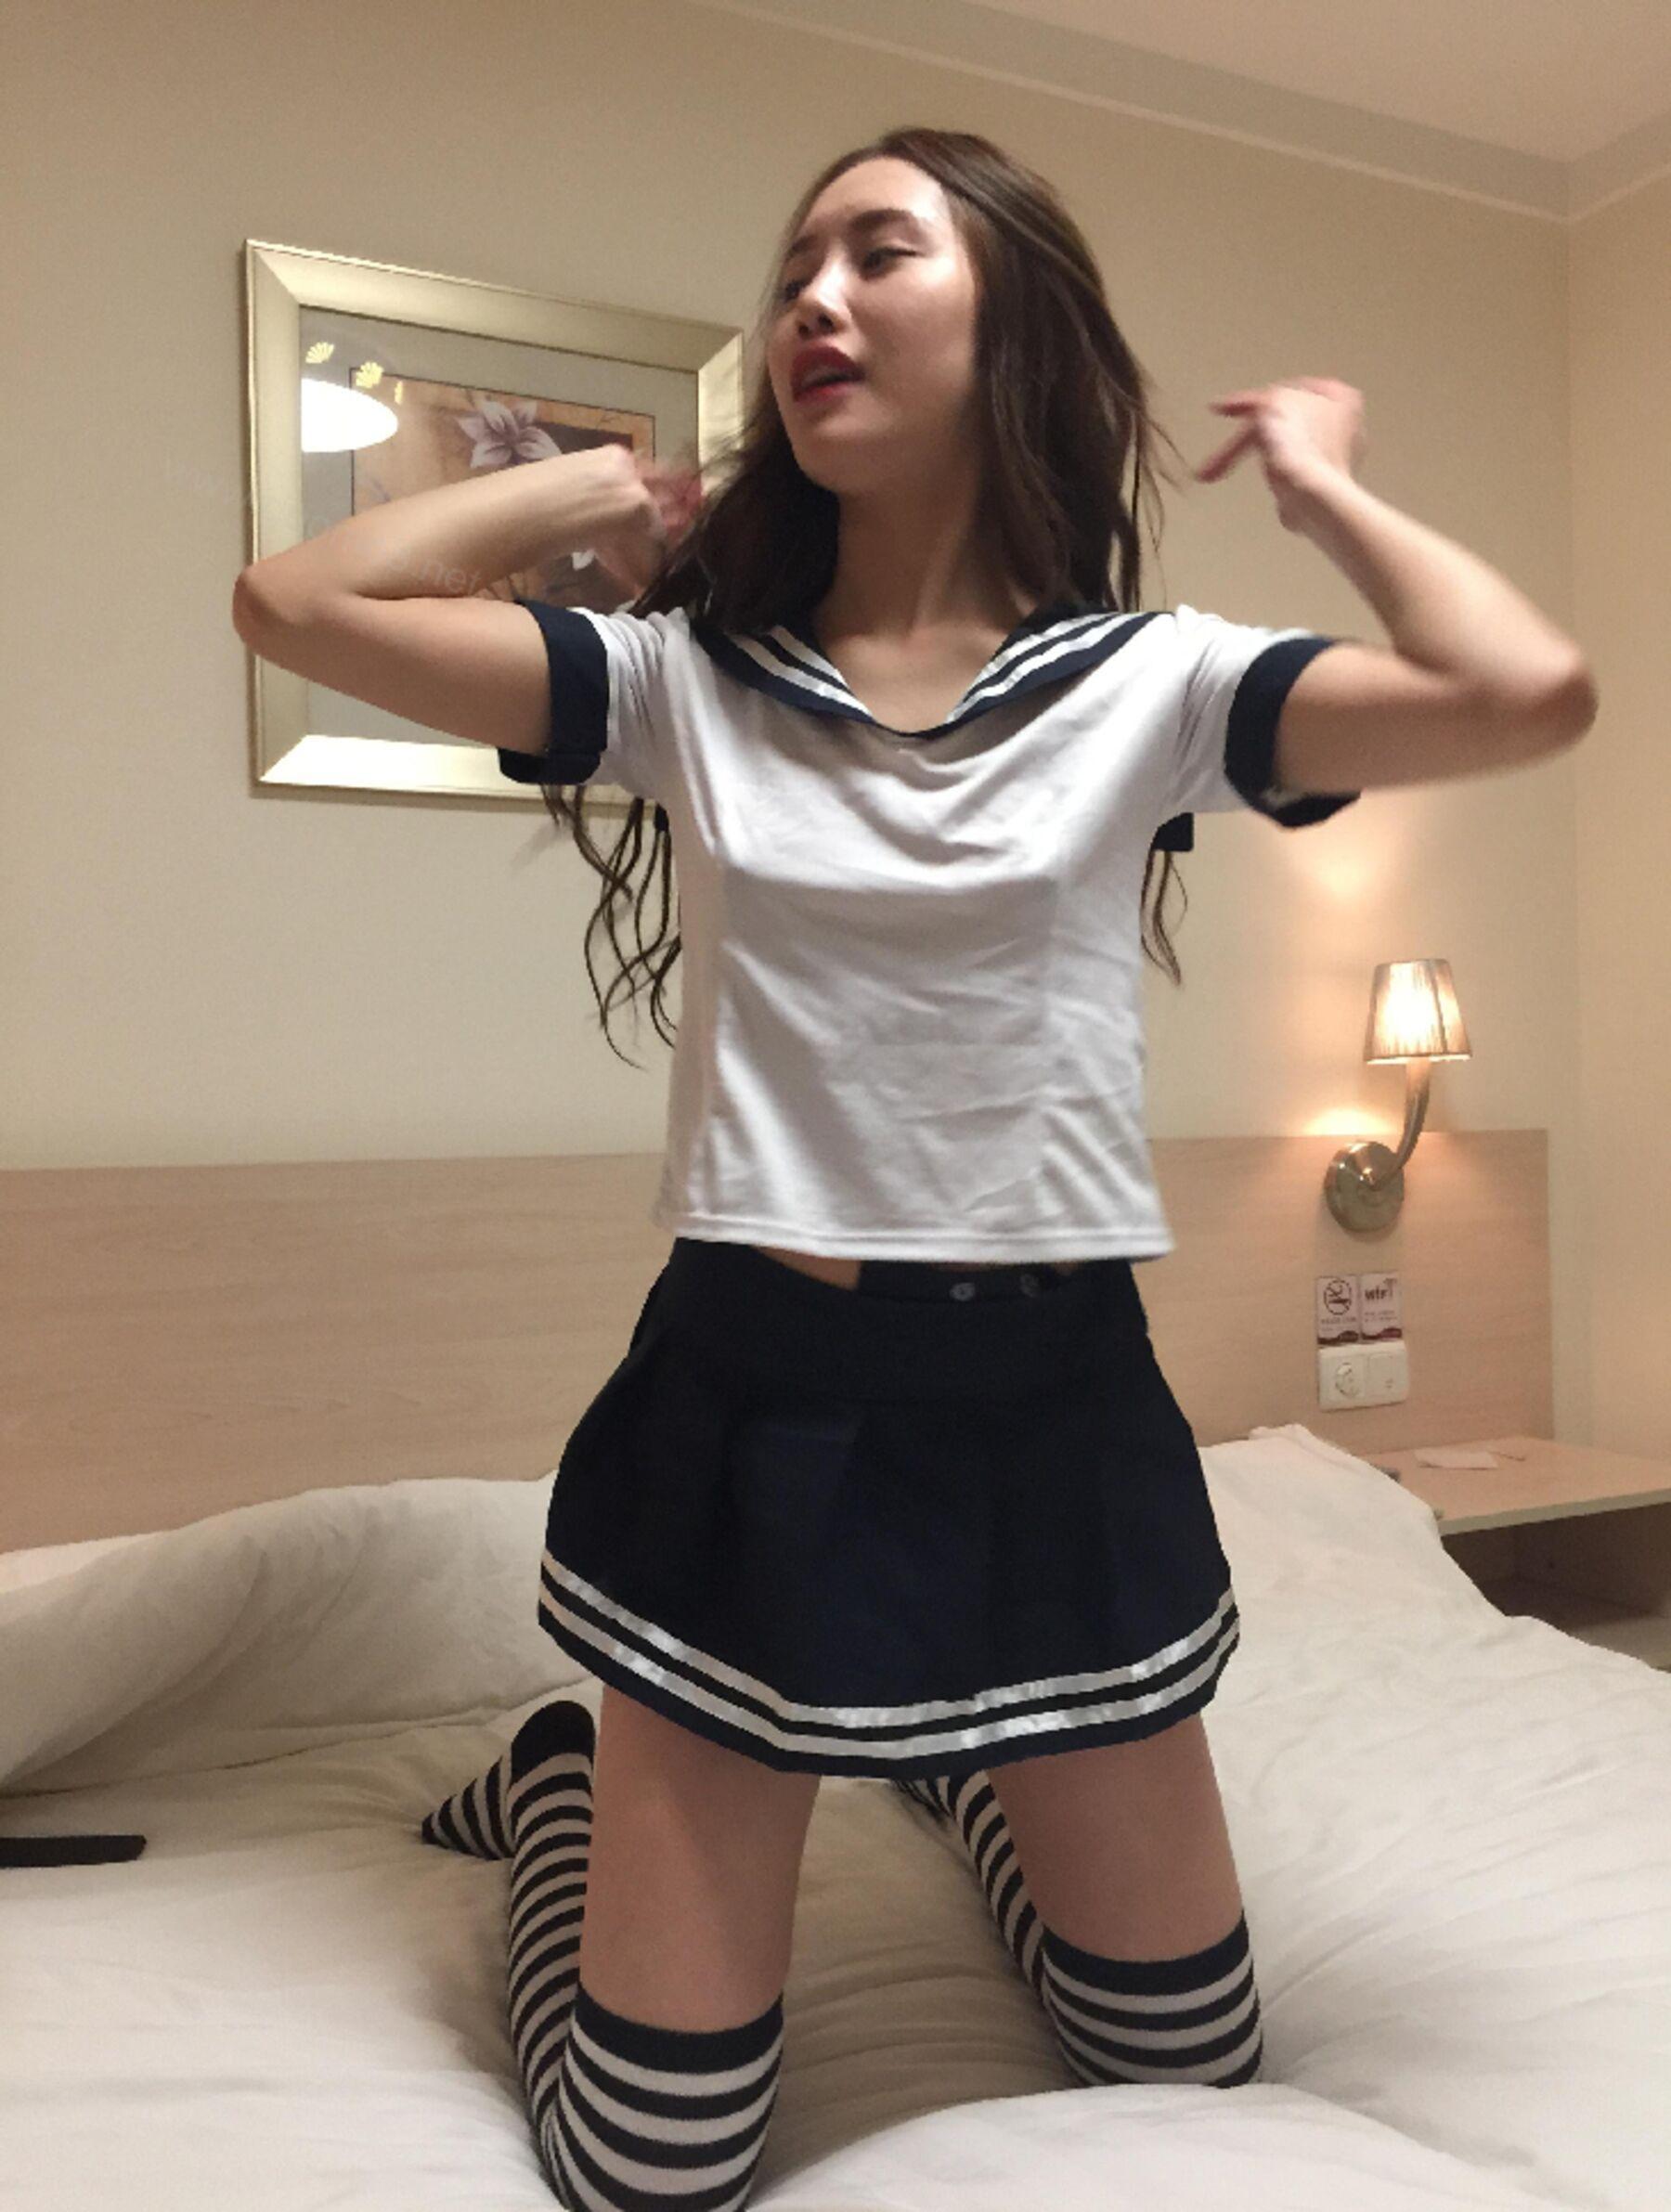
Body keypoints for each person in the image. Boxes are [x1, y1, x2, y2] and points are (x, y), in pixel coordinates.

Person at [234, 124, 1597, 2212]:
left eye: (880, 252)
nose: (816, 298)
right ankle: (567, 1771)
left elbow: (1526, 691)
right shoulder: (689, 687)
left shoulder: (1148, 685)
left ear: (1012, 324)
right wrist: (604, 489)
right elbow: (296, 599)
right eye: (796, 268)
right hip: (759, 1398)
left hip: (1054, 1406)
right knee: (652, 2167)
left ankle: (947, 1762)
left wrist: (1323, 487)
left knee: (1188, 2064)